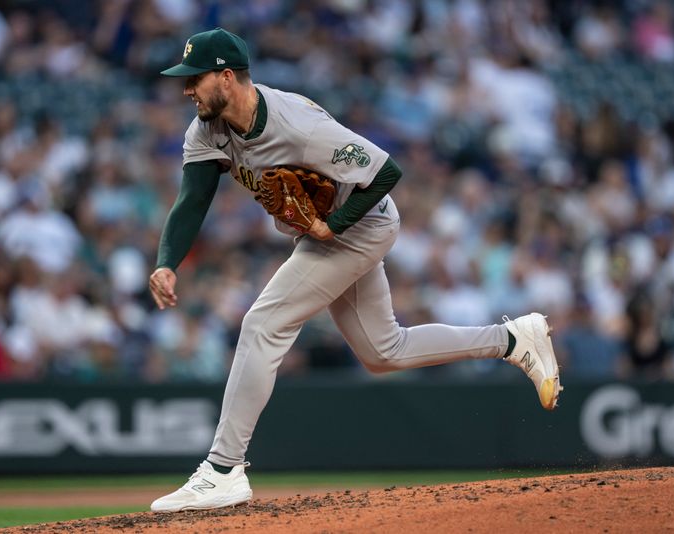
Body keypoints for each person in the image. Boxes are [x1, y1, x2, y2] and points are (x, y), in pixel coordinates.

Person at [147, 28, 562, 513]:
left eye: (195, 78)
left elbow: (386, 171)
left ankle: (222, 469)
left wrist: (332, 225)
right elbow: (192, 199)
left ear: (226, 76)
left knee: (263, 324)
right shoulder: (206, 129)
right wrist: (167, 263)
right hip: (329, 233)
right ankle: (514, 339)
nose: (186, 88)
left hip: (363, 226)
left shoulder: (297, 124)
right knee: (385, 351)